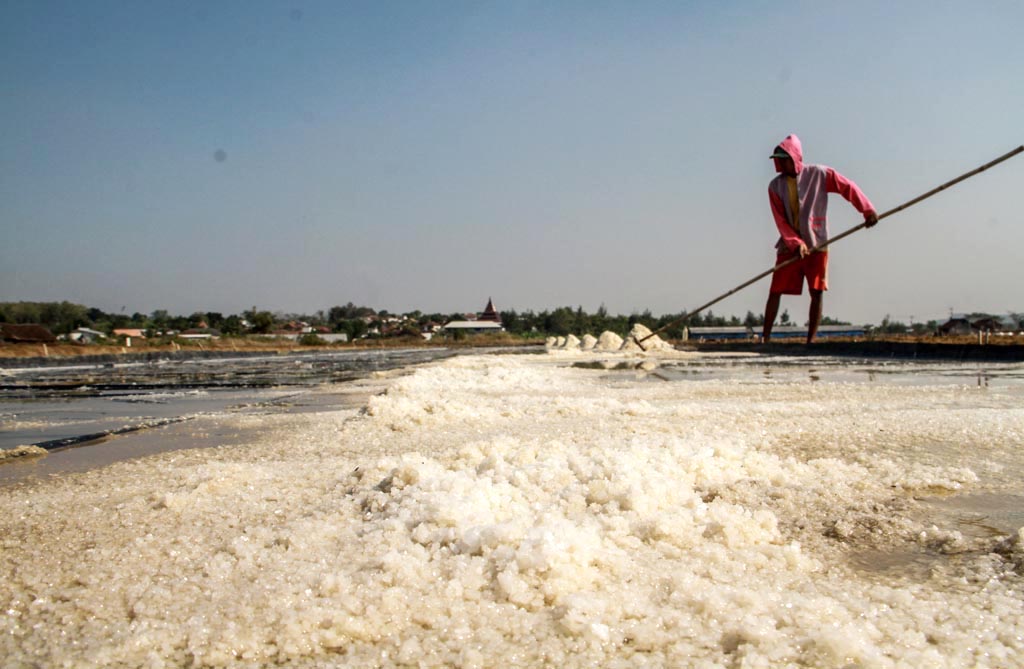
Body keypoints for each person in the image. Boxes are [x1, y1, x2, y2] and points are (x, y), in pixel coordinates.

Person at [762, 134, 878, 344]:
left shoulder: (818, 174)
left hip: (817, 242)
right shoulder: (774, 187)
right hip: (789, 246)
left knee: (816, 291)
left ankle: (811, 340)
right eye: (779, 160)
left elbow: (847, 187)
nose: (782, 163)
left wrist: (867, 210)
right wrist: (796, 243)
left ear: (795, 157)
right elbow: (781, 221)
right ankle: (766, 338)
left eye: (786, 158)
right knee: (775, 290)